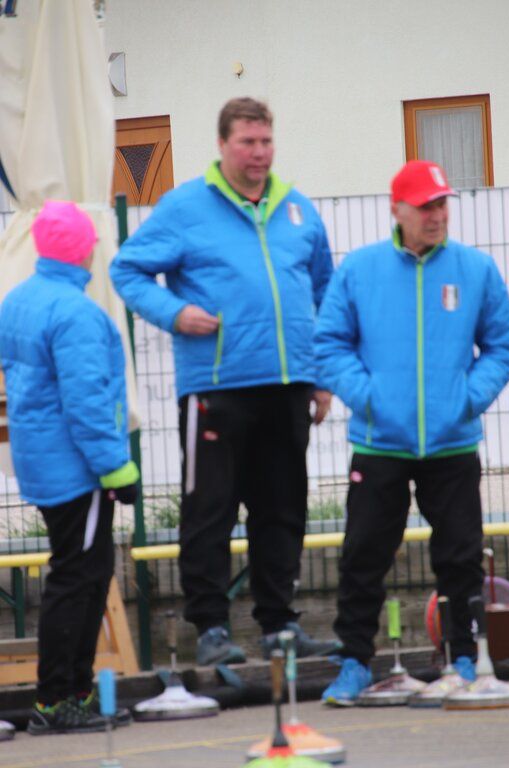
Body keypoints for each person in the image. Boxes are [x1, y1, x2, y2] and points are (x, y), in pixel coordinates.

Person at [110, 97, 340, 666]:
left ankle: (280, 627)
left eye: (266, 141)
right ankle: (211, 630)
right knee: (209, 512)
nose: (259, 153)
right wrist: (173, 313)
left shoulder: (297, 209)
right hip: (215, 387)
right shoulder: (185, 207)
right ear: (222, 145)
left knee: (282, 510)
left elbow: (326, 294)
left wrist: (321, 376)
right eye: (247, 142)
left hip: (288, 384)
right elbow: (126, 269)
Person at [315, 159, 509, 705]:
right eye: (425, 206)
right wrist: (368, 397)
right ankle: (354, 662)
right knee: (363, 555)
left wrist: (468, 398)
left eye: (442, 203)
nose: (437, 215)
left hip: (452, 442)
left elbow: (502, 345)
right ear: (396, 209)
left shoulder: (476, 269)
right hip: (379, 442)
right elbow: (330, 343)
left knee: (461, 558)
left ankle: (464, 660)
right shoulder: (361, 269)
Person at [0, 201, 139, 734]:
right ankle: (59, 698)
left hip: (42, 460)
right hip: (78, 469)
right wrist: (116, 468)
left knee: (82, 572)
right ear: (83, 249)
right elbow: (86, 402)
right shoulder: (78, 313)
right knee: (79, 579)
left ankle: (69, 693)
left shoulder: (19, 300)